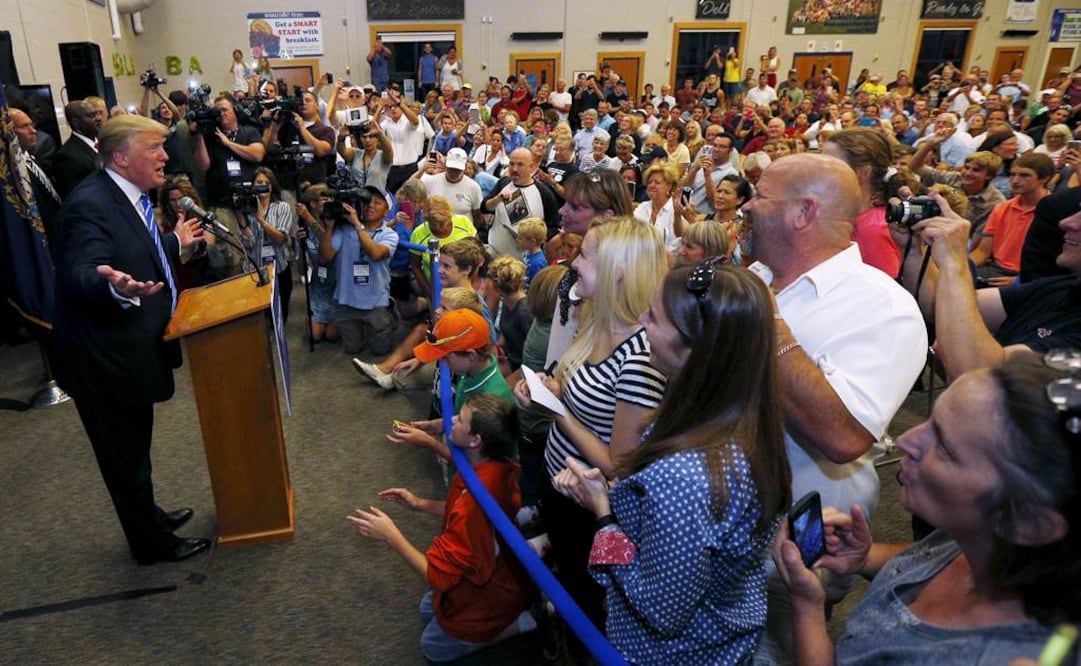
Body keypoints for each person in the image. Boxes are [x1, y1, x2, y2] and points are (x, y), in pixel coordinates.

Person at [553, 261, 792, 664]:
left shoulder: (684, 476)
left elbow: (659, 610)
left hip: (667, 653)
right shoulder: (746, 418)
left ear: (694, 351)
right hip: (724, 634)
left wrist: (603, 513)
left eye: (654, 318)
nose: (642, 323)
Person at [774, 354, 1081, 664]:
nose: (907, 440)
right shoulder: (977, 539)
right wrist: (865, 558)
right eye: (929, 421)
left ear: (1028, 523)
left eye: (945, 448)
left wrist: (807, 605)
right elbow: (933, 557)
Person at [742, 153, 928, 663]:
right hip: (719, 531)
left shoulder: (883, 307)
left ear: (803, 213)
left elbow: (844, 435)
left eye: (760, 196)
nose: (747, 208)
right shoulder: (757, 274)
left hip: (791, 553)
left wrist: (770, 324)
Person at [52, 115, 210, 564]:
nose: (165, 156)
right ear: (121, 157)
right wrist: (112, 286)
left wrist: (172, 243)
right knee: (125, 461)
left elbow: (135, 250)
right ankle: (151, 545)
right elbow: (84, 271)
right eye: (153, 149)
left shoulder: (127, 195)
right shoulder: (89, 204)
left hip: (129, 352)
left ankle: (150, 517)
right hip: (102, 363)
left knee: (135, 451)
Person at [514, 218, 668, 659]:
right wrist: (549, 389)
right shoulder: (592, 319)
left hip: (589, 506)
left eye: (584, 256)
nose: (573, 263)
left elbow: (619, 462)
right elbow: (577, 393)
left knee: (586, 604)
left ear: (618, 270)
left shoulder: (640, 359)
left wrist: (556, 412)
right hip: (560, 485)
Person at [348, 393, 535, 663]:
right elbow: (458, 507)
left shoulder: (474, 504)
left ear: (475, 441)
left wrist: (391, 535)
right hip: (496, 568)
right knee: (428, 610)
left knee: (432, 648)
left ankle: (525, 623)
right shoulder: (494, 465)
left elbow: (436, 577)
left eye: (460, 419)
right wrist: (419, 504)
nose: (452, 420)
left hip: (491, 589)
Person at [898, 191, 1081, 383]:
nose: (1066, 222)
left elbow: (979, 378)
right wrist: (913, 250)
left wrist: (955, 262)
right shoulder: (1059, 289)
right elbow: (939, 306)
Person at [318, 185, 398, 356]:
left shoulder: (389, 234)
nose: (371, 206)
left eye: (378, 203)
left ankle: (391, 316)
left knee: (380, 351)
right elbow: (325, 257)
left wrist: (357, 225)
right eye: (368, 202)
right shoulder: (344, 229)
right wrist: (330, 227)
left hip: (375, 302)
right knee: (352, 349)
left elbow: (376, 254)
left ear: (386, 211)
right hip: (346, 301)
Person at [821, 128, 904, 278]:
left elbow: (882, 291)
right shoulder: (853, 218)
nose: (819, 170)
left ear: (863, 173)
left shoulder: (873, 229)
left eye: (830, 164)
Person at [969, 153, 1054, 285]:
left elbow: (1055, 262)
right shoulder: (1002, 208)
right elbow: (982, 251)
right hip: (995, 269)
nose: (1015, 180)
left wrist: (1020, 281)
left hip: (1032, 277)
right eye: (1013, 175)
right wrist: (961, 268)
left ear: (1044, 178)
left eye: (1025, 175)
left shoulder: (1055, 211)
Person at [240, 167, 296, 323]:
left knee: (279, 316)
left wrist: (260, 220)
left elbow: (280, 238)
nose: (263, 186)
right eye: (259, 182)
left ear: (273, 186)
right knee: (258, 320)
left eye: (267, 182)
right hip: (254, 270)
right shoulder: (245, 209)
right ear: (252, 186)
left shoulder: (282, 207)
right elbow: (248, 243)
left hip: (279, 268)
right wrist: (241, 217)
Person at [483, 148, 559, 257]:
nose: (514, 169)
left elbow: (553, 226)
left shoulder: (544, 193)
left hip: (523, 261)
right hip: (495, 253)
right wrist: (496, 200)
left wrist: (534, 239)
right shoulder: (503, 183)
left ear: (531, 166)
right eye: (511, 164)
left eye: (520, 165)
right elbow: (484, 208)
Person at [487, 255, 532, 372]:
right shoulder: (507, 303)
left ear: (496, 287)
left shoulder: (524, 311)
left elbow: (533, 351)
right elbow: (505, 334)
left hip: (521, 367)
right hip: (507, 359)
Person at [51, 100, 100, 198]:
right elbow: (77, 196)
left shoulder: (106, 141)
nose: (98, 118)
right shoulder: (66, 155)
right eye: (91, 116)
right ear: (76, 122)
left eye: (97, 114)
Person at [634, 163, 685, 255]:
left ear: (669, 187)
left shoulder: (676, 211)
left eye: (657, 183)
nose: (651, 185)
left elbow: (676, 246)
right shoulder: (642, 208)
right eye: (649, 182)